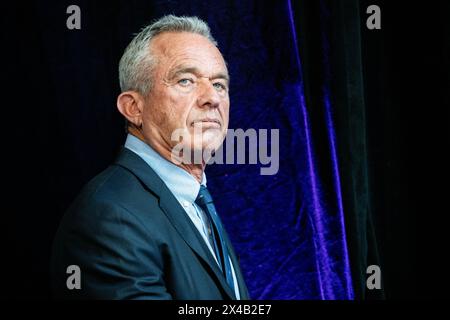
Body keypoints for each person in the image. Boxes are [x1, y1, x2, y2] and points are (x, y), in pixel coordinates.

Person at [51, 15, 250, 300]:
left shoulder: (196, 200)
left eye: (219, 84)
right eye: (186, 80)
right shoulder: (109, 219)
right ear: (133, 107)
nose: (212, 98)